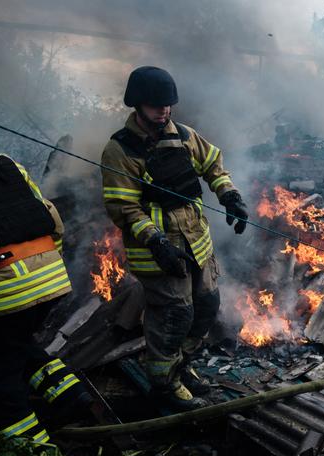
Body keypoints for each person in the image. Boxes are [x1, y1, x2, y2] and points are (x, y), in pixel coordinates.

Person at [101, 66, 249, 411]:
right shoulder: (120, 150)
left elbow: (213, 165)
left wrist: (230, 196)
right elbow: (123, 207)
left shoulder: (183, 135)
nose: (164, 110)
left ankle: (180, 366)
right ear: (137, 105)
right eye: (156, 105)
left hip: (197, 244)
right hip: (158, 250)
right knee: (173, 316)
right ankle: (163, 385)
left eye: (168, 104)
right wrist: (156, 242)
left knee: (207, 307)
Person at [0, 128, 92, 444]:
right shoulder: (4, 162)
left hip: (0, 289)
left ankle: (31, 453)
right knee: (13, 343)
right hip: (51, 276)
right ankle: (71, 397)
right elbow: (51, 216)